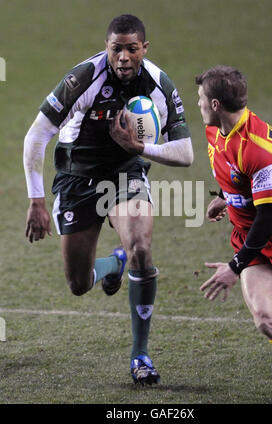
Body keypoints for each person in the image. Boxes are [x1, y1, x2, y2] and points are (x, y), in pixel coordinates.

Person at [23, 14, 193, 385]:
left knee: (142, 250)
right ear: (107, 48)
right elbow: (36, 136)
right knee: (79, 283)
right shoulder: (83, 78)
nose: (124, 57)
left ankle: (140, 356)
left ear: (144, 49)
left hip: (124, 175)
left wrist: (142, 148)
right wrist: (36, 200)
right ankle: (114, 264)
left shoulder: (158, 84)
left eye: (132, 49)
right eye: (117, 49)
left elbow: (186, 153)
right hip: (76, 179)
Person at [195, 65, 272, 365]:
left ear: (215, 104)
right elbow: (235, 173)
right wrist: (226, 198)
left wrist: (234, 266)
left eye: (201, 98)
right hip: (249, 238)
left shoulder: (258, 149)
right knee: (267, 320)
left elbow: (267, 217)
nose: (198, 103)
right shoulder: (215, 130)